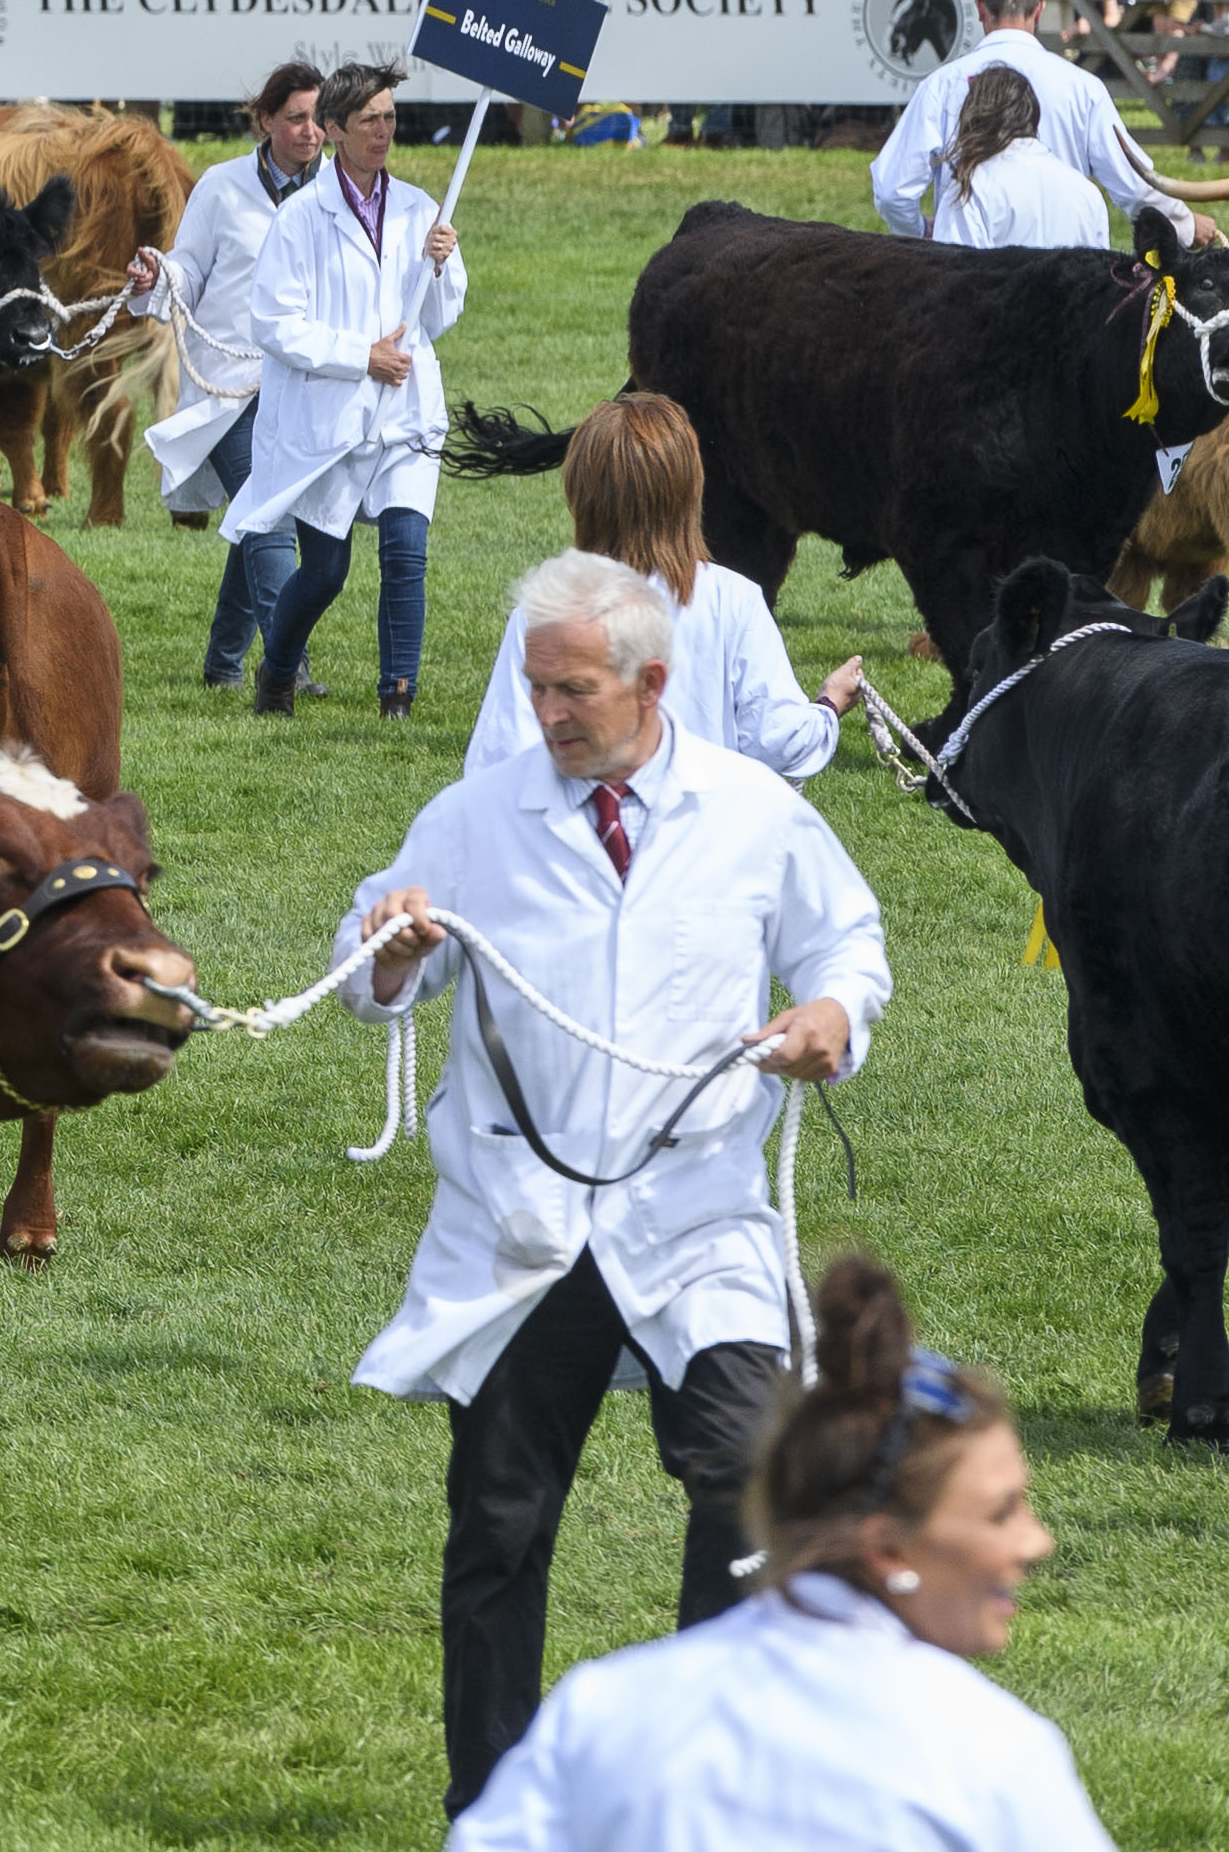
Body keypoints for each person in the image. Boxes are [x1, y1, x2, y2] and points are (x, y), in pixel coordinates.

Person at [347, 553, 891, 1818]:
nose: (547, 715)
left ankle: (697, 1791)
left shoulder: (755, 810)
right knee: (497, 1526)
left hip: (694, 1214)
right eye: (536, 689)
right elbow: (373, 947)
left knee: (754, 1482)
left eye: (573, 690)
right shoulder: (477, 817)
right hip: (524, 1221)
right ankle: (490, 1810)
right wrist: (393, 944)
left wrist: (831, 1013)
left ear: (653, 681)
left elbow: (847, 940)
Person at [446, 1252, 1101, 1851]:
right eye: (1002, 1512)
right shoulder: (988, 1756)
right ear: (885, 1549)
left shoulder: (601, 1710)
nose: (1036, 1541)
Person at [216, 61, 465, 717]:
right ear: (333, 130)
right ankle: (275, 673)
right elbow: (273, 324)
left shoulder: (419, 211)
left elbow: (437, 319)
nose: (383, 131)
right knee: (327, 571)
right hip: (328, 420)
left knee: (407, 549)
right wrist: (362, 357)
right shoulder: (300, 219)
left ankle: (398, 699)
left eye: (389, 117)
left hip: (406, 413)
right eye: (368, 121)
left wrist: (441, 267)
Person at [467, 390, 854, 784]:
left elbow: (498, 760)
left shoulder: (544, 613)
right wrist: (828, 705)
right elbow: (779, 743)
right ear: (689, 489)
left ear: (580, 493)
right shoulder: (733, 601)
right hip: (700, 835)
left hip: (577, 836)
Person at [144, 62, 328, 597]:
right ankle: (288, 668)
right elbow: (191, 270)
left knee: (258, 512)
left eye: (318, 119)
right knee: (268, 513)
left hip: (305, 387)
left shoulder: (339, 193)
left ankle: (223, 662)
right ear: (265, 120)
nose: (310, 132)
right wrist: (159, 275)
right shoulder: (221, 186)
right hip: (229, 390)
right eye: (295, 118)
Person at [869, 0, 1189, 241]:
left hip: (970, 268)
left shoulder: (941, 86)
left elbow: (892, 190)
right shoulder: (1083, 88)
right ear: (1038, 10)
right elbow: (1134, 182)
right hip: (1064, 272)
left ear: (980, 9)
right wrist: (1185, 226)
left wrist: (919, 232)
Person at [921, 61, 1118, 250]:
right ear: (1032, 114)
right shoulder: (1087, 193)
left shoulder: (969, 192)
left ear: (975, 119)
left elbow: (953, 276)